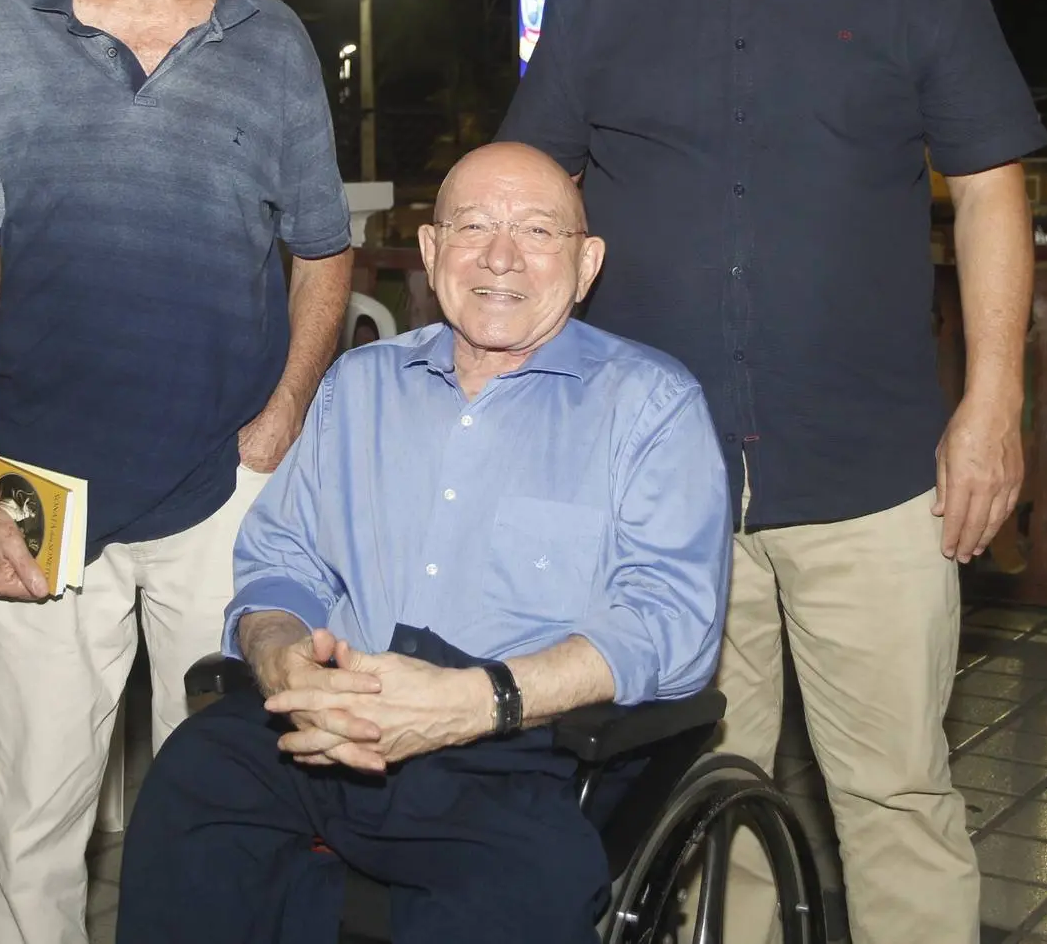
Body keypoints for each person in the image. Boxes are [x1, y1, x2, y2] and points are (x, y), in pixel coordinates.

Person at [500, 0, 1047, 944]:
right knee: (696, 803)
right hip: (657, 493)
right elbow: (533, 192)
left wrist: (990, 406)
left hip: (873, 478)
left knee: (896, 797)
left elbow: (988, 193)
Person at [0, 0, 354, 944]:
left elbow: (324, 251)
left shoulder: (274, 43)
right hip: (34, 496)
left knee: (221, 820)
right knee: (30, 827)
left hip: (222, 499)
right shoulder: (0, 35)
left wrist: (280, 419)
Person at [115, 142, 732, 944]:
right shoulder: (358, 385)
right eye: (472, 225)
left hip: (519, 746)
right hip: (332, 718)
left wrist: (478, 700)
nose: (501, 255)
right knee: (191, 786)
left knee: (523, 891)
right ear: (433, 252)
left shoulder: (650, 406)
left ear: (587, 265)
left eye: (537, 231)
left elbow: (671, 625)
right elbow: (282, 559)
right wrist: (280, 656)